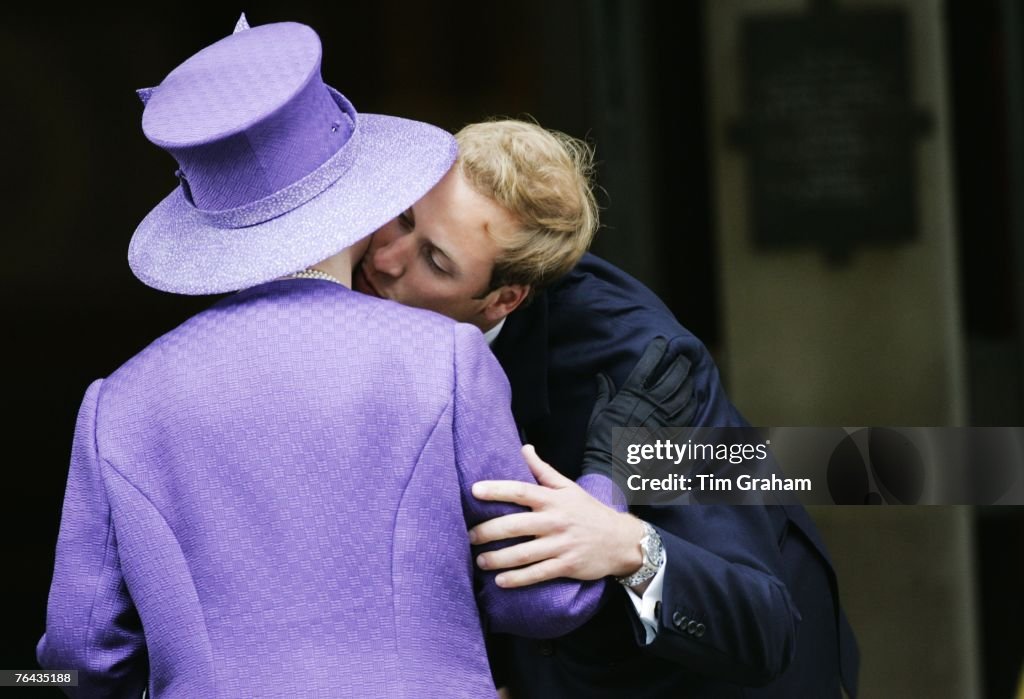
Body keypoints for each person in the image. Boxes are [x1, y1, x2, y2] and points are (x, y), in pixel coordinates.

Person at [36, 19, 626, 698]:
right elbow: (536, 599)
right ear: (355, 182)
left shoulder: (119, 405)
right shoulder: (447, 361)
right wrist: (608, 480)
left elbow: (80, 655)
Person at [353, 119, 860, 697]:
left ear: (503, 300)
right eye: (403, 218)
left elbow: (762, 624)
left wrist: (627, 545)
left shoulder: (640, 365)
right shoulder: (358, 268)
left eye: (436, 262)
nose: (386, 258)